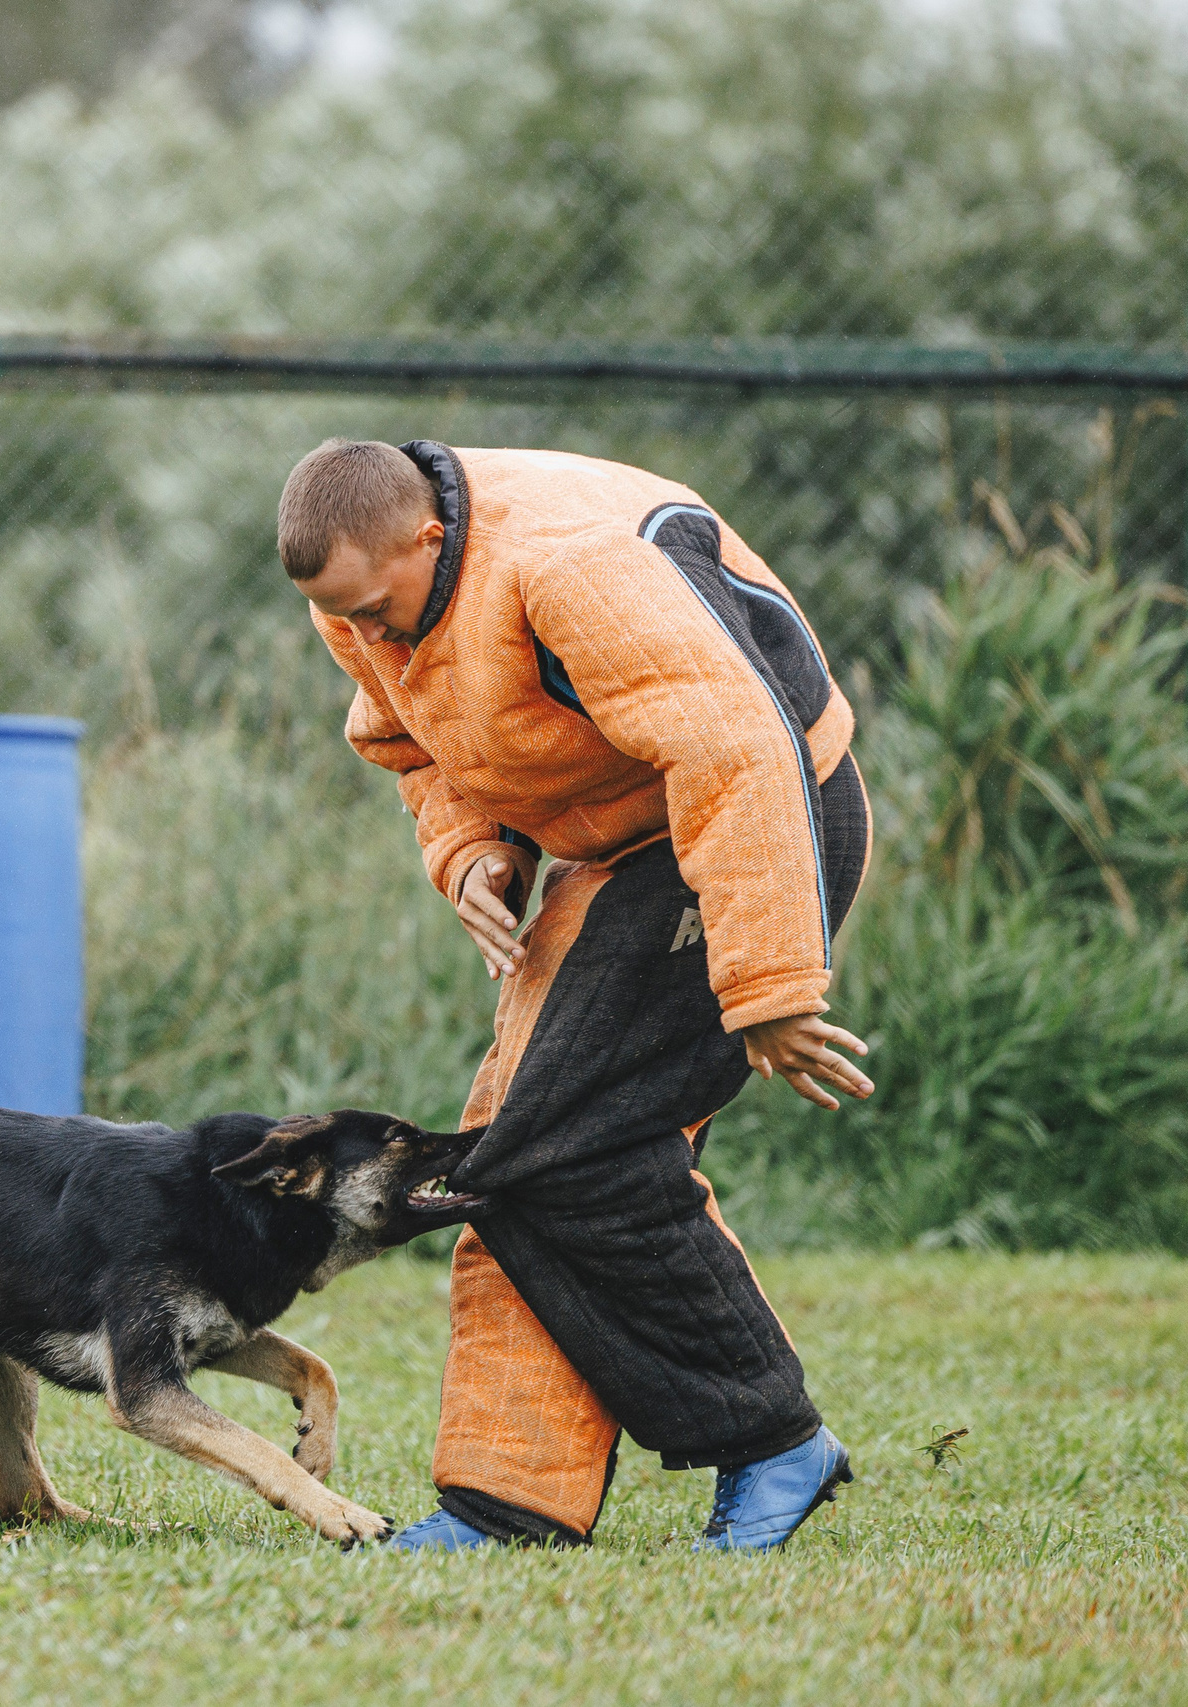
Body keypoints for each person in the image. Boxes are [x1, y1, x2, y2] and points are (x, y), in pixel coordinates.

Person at [278, 438, 873, 1551]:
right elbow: (410, 740)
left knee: (570, 1152)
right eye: (339, 617)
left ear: (429, 538)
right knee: (503, 1159)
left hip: (765, 823)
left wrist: (769, 984)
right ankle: (511, 1505)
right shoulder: (359, 600)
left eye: (374, 608)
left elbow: (738, 751)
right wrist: (474, 850)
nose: (363, 636)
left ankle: (771, 1440)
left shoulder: (566, 564)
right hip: (615, 855)